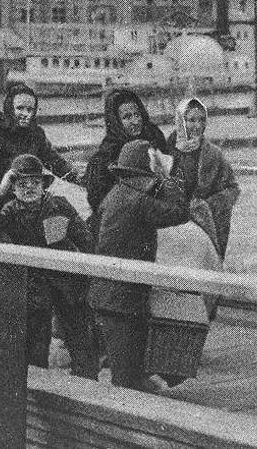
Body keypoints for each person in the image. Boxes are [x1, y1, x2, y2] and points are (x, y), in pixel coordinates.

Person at [0, 154, 100, 379]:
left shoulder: (59, 206)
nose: (29, 188)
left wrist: (87, 278)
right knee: (34, 352)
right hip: (34, 290)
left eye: (35, 183)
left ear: (43, 185)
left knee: (82, 347)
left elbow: (87, 241)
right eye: (22, 184)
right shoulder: (9, 212)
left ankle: (87, 393)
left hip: (67, 285)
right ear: (13, 188)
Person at [87, 139, 189, 391]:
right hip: (122, 298)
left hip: (109, 293)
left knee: (129, 365)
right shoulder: (139, 201)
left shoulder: (116, 194)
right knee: (126, 376)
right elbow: (180, 212)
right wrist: (167, 178)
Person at [0, 83, 79, 237]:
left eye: (30, 110)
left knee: (57, 233)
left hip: (27, 200)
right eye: (20, 108)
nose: (25, 114)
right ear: (10, 108)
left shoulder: (35, 134)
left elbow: (56, 163)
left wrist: (82, 179)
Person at [84, 88, 169, 231]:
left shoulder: (154, 136)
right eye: (127, 117)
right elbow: (100, 201)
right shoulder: (107, 153)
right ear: (116, 121)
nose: (135, 121)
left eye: (137, 114)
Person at [166, 97, 239, 258]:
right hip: (171, 222)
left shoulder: (213, 153)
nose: (197, 126)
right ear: (181, 120)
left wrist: (208, 205)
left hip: (204, 224)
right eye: (191, 120)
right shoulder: (166, 150)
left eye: (201, 120)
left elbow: (232, 188)